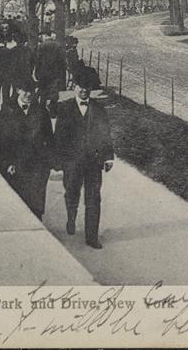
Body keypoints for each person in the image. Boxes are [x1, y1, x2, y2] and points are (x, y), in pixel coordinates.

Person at [54, 69, 114, 249]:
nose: (83, 90)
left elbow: (106, 135)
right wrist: (59, 160)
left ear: (91, 89)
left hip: (93, 162)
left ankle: (92, 236)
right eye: (80, 87)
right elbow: (59, 137)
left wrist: (108, 157)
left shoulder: (99, 110)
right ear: (74, 87)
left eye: (87, 87)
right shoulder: (65, 109)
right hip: (72, 162)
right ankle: (71, 217)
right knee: (72, 192)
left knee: (93, 198)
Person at [0, 78, 55, 220]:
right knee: (17, 208)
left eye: (31, 91)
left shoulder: (41, 111)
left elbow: (50, 139)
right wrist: (6, 164)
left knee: (36, 208)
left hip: (37, 167)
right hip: (15, 167)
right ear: (17, 90)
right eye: (25, 91)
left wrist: (47, 163)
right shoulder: (6, 111)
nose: (29, 94)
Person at [35, 33, 66, 118]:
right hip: (55, 73)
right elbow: (62, 61)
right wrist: (61, 74)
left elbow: (38, 60)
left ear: (45, 37)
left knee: (43, 91)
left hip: (43, 73)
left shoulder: (41, 46)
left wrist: (37, 72)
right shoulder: (58, 46)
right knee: (54, 92)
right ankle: (53, 111)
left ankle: (41, 111)